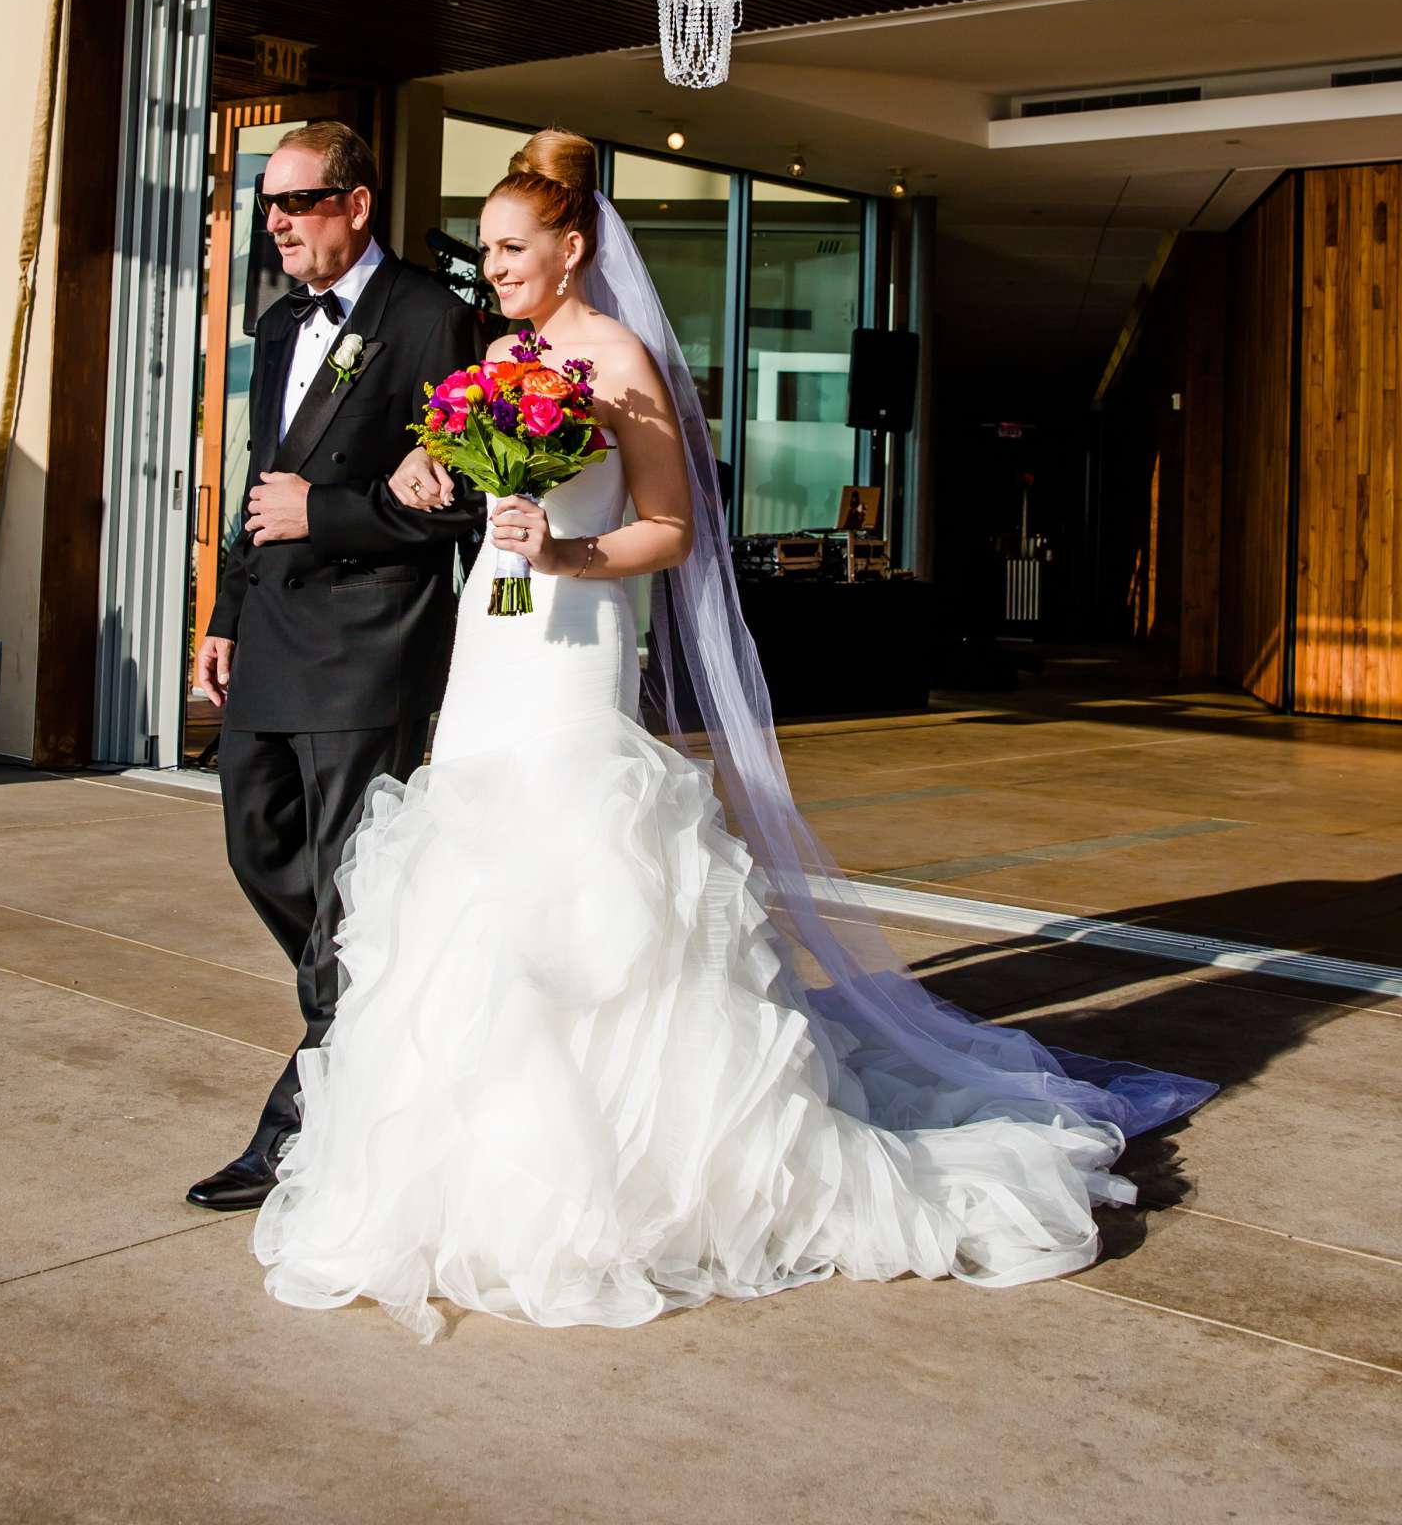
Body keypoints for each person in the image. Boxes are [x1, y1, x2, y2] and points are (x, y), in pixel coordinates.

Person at [252, 130, 1214, 1335]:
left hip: (576, 638)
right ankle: (470, 1165)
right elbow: (455, 484)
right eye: (486, 248)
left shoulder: (622, 362)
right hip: (492, 638)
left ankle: (634, 1174)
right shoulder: (499, 353)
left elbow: (673, 529)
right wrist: (431, 486)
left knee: (580, 870)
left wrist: (564, 550)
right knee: (471, 875)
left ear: (572, 245)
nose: (490, 269)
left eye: (510, 247)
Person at [186, 120, 481, 1212]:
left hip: (369, 645)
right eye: (269, 205)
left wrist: (332, 512)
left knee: (352, 887)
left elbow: (467, 509)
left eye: (297, 203)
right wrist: (221, 610)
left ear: (355, 205)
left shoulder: (435, 319)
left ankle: (300, 1130)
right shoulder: (275, 326)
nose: (275, 223)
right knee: (260, 848)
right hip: (268, 635)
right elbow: (261, 479)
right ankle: (393, 1007)